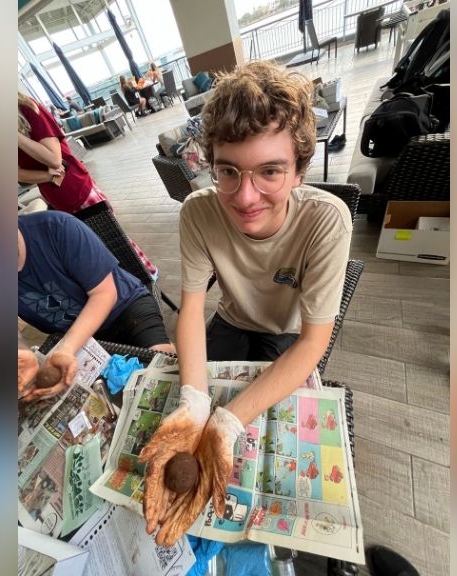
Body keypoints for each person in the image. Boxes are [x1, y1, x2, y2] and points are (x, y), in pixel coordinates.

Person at [139, 60, 351, 546]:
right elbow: (191, 308)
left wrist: (229, 418)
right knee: (181, 402)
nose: (245, 196)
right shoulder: (198, 211)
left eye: (270, 172)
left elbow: (314, 338)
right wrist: (196, 404)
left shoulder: (326, 222)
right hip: (230, 319)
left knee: (256, 438)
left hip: (286, 333)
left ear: (299, 170)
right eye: (228, 172)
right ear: (211, 164)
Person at [17, 211, 175, 401]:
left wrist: (66, 348)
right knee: (104, 397)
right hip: (76, 334)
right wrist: (21, 351)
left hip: (124, 307)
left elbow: (104, 294)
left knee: (164, 364)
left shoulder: (57, 227)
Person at [18, 91, 157, 276]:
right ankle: (125, 284)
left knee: (117, 242)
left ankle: (148, 276)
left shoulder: (27, 107)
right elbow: (18, 174)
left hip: (77, 189)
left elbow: (53, 159)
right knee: (92, 250)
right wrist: (48, 177)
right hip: (56, 198)